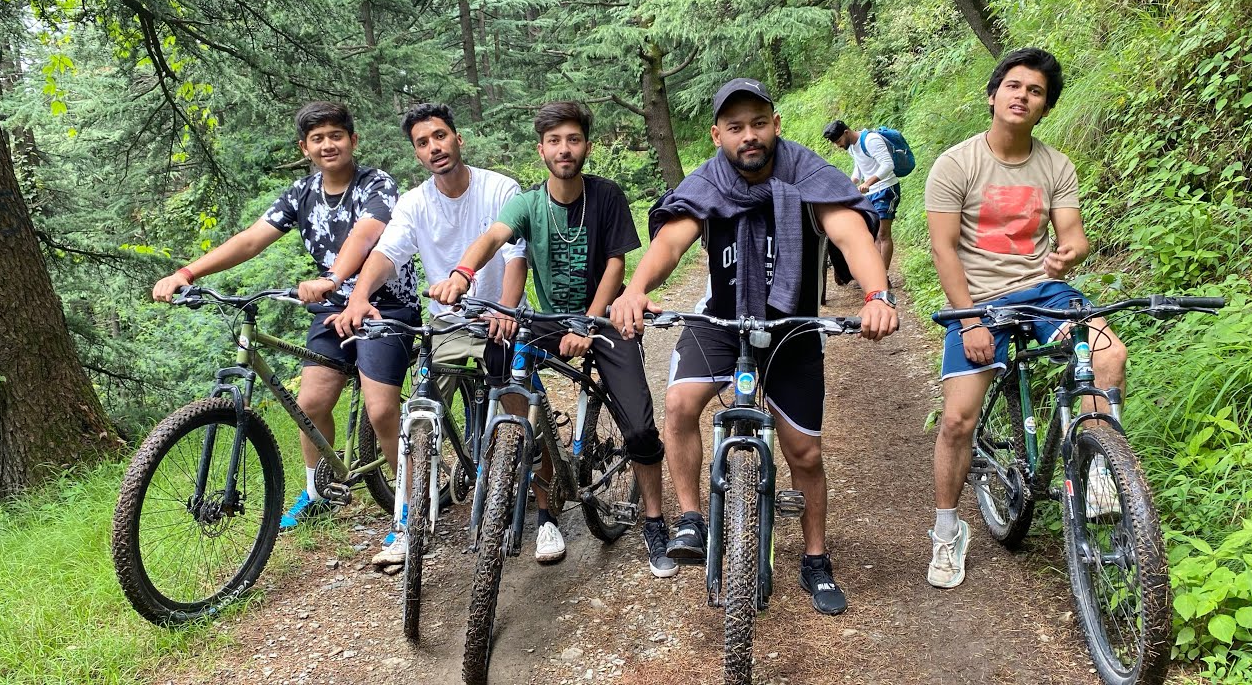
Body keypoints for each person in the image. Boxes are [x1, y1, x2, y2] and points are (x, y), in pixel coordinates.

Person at [610, 78, 899, 616]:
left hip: (793, 325)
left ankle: (815, 559)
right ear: (718, 134)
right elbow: (671, 242)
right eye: (737, 127)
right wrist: (634, 290)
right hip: (722, 318)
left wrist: (877, 294)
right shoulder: (709, 180)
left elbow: (850, 234)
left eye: (760, 124)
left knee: (804, 453)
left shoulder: (807, 172)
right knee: (678, 405)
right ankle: (693, 519)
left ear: (777, 126)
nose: (750, 136)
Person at [430, 101, 678, 578]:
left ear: (587, 144)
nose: (565, 150)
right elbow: (493, 238)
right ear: (541, 148)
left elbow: (614, 266)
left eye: (573, 140)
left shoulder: (606, 197)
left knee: (641, 428)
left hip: (604, 318)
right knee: (507, 368)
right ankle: (532, 490)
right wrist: (463, 272)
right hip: (548, 318)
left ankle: (653, 521)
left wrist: (588, 323)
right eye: (555, 141)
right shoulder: (526, 203)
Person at [152, 101, 418, 531]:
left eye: (336, 135)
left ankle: (408, 501)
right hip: (332, 308)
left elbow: (368, 232)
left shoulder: (377, 183)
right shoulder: (302, 193)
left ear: (353, 139)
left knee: (382, 410)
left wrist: (334, 276)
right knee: (310, 403)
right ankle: (317, 492)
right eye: (318, 139)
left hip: (384, 305)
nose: (328, 145)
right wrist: (187, 272)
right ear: (305, 147)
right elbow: (252, 240)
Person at [924, 48, 1127, 589]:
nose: (1022, 96)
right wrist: (968, 323)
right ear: (992, 95)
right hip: (978, 299)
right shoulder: (955, 164)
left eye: (1035, 92)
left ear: (1045, 107)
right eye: (1013, 86)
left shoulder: (1055, 164)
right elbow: (944, 250)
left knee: (1108, 354)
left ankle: (1104, 477)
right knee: (958, 420)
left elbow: (1074, 235)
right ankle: (947, 531)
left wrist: (1069, 254)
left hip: (1044, 292)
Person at [330, 103, 528, 566]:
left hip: (498, 316)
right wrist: (358, 297)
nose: (434, 147)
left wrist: (506, 308)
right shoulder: (415, 202)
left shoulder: (500, 187)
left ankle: (536, 499)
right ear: (417, 153)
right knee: (421, 414)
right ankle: (406, 522)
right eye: (423, 142)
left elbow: (517, 254)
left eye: (440, 136)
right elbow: (387, 253)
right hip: (447, 322)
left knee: (516, 401)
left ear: (458, 139)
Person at [823, 120, 901, 273]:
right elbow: (859, 169)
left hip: (886, 189)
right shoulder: (852, 147)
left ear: (846, 132)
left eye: (838, 141)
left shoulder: (871, 140)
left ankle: (882, 277)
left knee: (883, 234)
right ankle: (878, 274)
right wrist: (849, 184)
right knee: (873, 234)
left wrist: (869, 183)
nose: (838, 145)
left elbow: (888, 164)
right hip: (871, 193)